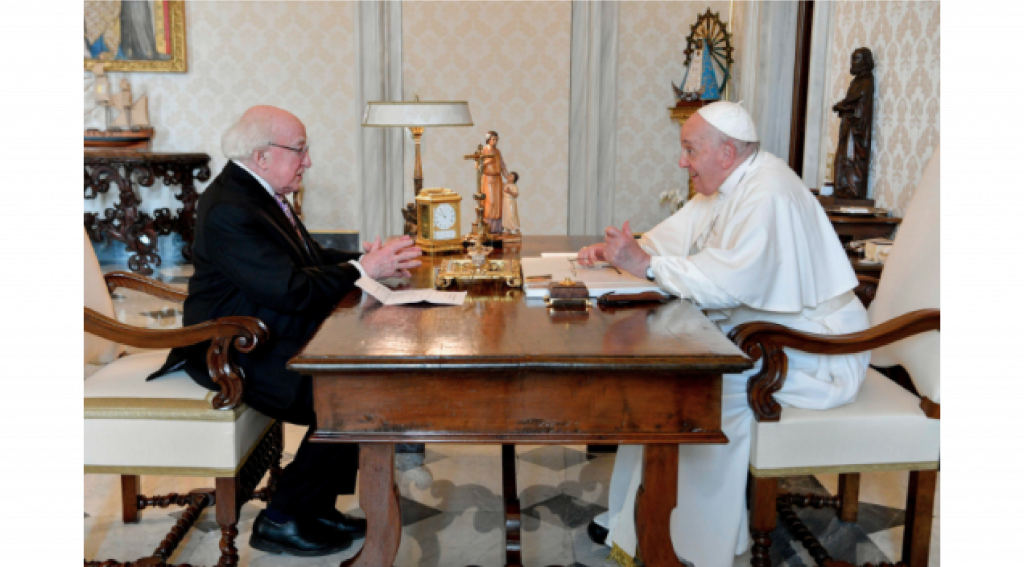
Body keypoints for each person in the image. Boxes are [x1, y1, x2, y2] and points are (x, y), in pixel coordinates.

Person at [578, 101, 870, 567]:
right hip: (771, 336)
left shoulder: (768, 191)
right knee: (655, 380)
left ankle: (688, 545)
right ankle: (629, 521)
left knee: (699, 389)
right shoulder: (727, 183)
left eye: (690, 150)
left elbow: (728, 284)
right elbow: (671, 238)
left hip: (819, 349)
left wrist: (647, 265)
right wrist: (623, 252)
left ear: (727, 152)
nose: (682, 162)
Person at [148, 106, 423, 557]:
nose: (307, 161)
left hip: (259, 329)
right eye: (299, 150)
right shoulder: (231, 208)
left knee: (360, 373)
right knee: (352, 393)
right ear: (261, 156)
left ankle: (314, 507)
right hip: (228, 348)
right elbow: (291, 289)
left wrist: (368, 260)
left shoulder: (256, 192)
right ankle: (282, 518)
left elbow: (307, 257)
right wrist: (362, 270)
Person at [481, 131, 510, 234]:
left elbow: (502, 165)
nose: (495, 141)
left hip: (498, 179)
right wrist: (488, 161)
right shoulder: (484, 150)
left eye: (496, 140)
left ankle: (497, 228)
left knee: (498, 203)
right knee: (490, 202)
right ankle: (488, 228)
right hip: (488, 179)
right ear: (488, 139)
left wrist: (508, 177)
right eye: (493, 139)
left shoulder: (497, 151)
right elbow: (477, 165)